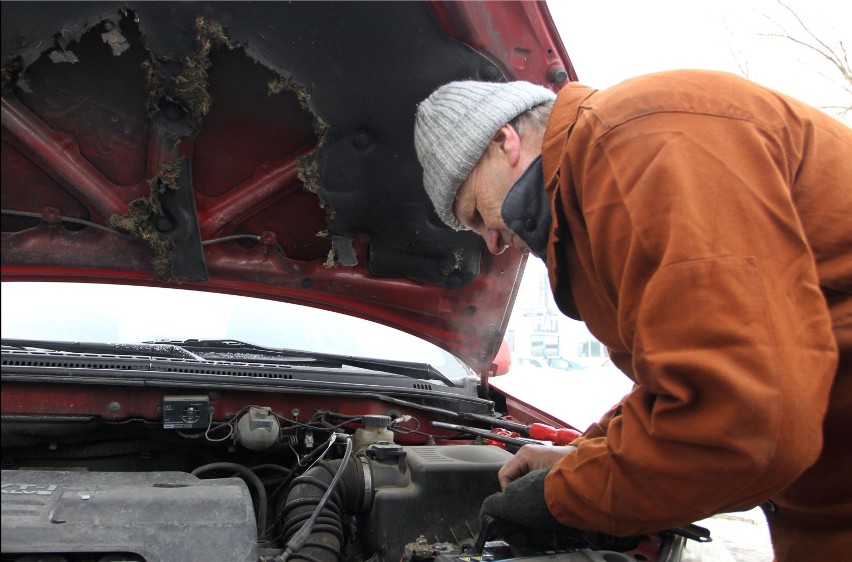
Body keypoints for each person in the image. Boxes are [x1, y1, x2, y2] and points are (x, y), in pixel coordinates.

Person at [413, 71, 851, 561]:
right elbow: (690, 374)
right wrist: (579, 459)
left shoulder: (636, 147)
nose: (491, 244)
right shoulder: (597, 187)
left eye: (475, 214)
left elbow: (745, 417)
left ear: (503, 141)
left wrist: (562, 497)